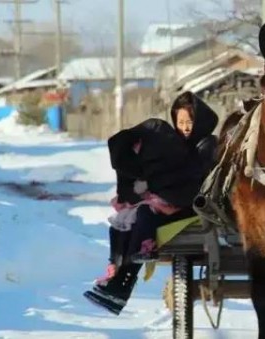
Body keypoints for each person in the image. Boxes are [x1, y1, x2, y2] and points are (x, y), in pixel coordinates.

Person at [84, 91, 219, 315]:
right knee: (126, 221)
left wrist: (153, 187)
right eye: (181, 121)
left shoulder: (206, 144)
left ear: (200, 122)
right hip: (167, 201)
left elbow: (191, 179)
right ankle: (116, 279)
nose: (185, 127)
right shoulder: (171, 144)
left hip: (191, 205)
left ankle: (123, 284)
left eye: (189, 122)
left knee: (144, 214)